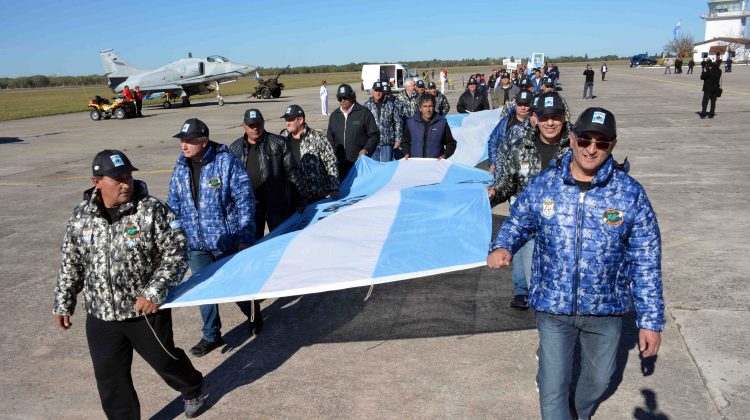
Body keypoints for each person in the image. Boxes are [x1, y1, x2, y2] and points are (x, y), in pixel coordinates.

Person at [488, 107, 664, 420]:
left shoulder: (629, 194)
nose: (591, 148)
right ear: (572, 139)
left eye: (602, 142)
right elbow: (518, 220)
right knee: (554, 386)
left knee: (598, 382)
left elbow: (646, 259)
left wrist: (650, 320)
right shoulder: (546, 184)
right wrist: (503, 245)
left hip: (605, 309)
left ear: (613, 144)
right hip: (553, 307)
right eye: (584, 139)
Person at [54, 150, 205, 419]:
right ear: (97, 181)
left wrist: (154, 291)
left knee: (165, 361)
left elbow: (177, 251)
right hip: (100, 315)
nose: (126, 184)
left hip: (143, 311)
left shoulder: (150, 210)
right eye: (118, 179)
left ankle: (192, 387)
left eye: (128, 177)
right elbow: (71, 260)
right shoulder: (81, 216)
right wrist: (64, 302)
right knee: (110, 379)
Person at [167, 118, 260, 357]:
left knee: (235, 285)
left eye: (189, 141)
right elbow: (173, 205)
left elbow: (244, 201)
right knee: (204, 289)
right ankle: (211, 335)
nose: (184, 146)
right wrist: (175, 236)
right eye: (182, 141)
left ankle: (253, 313)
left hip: (225, 240)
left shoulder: (226, 163)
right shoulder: (180, 167)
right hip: (195, 244)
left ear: (204, 141)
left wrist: (245, 236)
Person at [489, 92, 571, 310]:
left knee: (566, 296)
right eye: (544, 117)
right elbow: (508, 183)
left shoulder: (577, 146)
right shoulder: (521, 145)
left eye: (556, 117)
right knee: (538, 294)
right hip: (532, 232)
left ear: (564, 117)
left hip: (568, 235)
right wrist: (494, 193)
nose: (550, 122)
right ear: (536, 117)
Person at [229, 108, 304, 239]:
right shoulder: (235, 148)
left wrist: (300, 200)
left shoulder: (279, 143)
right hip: (250, 206)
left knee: (280, 240)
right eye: (251, 125)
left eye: (258, 124)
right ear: (244, 126)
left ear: (263, 123)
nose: (255, 128)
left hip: (276, 204)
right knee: (253, 243)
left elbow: (292, 173)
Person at [326, 84, 380, 180]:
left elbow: (374, 135)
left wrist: (366, 149)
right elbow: (330, 139)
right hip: (339, 165)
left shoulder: (364, 113)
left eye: (345, 97)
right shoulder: (334, 116)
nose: (342, 100)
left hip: (358, 164)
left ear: (352, 96)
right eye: (340, 98)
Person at [487, 90, 534, 173]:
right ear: (515, 104)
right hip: (504, 168)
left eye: (526, 104)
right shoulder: (506, 121)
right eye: (520, 104)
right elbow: (493, 141)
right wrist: (493, 162)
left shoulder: (536, 124)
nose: (523, 108)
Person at [401, 93, 456, 159]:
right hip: (416, 163)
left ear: (434, 107)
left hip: (435, 163)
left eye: (430, 106)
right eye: (425, 106)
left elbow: (451, 143)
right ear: (420, 108)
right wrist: (406, 153)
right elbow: (405, 142)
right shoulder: (411, 123)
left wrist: (445, 155)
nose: (428, 110)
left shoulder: (442, 123)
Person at [364, 81, 402, 162]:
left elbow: (398, 122)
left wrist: (398, 140)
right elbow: (363, 125)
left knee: (387, 167)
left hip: (387, 143)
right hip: (372, 144)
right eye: (376, 91)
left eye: (380, 91)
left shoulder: (391, 104)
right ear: (372, 92)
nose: (378, 93)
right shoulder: (366, 106)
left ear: (383, 92)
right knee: (375, 169)